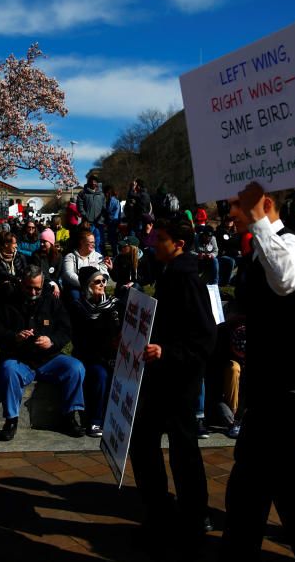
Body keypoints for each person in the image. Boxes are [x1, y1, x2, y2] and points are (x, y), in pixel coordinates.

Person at [220, 183, 295, 561]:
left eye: (238, 205)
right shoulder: (258, 253)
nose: (231, 213)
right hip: (271, 387)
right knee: (263, 481)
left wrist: (258, 222)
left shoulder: (292, 244)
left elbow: (285, 279)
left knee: (281, 485)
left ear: (263, 203)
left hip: (290, 389)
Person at [128, 217, 216, 556]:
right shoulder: (168, 274)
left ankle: (192, 514)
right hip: (163, 375)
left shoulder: (186, 279)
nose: (154, 243)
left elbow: (205, 338)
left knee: (182, 448)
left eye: (161, 238)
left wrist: (167, 350)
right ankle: (165, 509)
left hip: (178, 379)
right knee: (150, 441)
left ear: (178, 243)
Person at [0, 265, 85, 441]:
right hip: (19, 358)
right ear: (21, 283)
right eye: (29, 287)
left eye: (37, 288)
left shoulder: (52, 300)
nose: (33, 291)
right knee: (8, 370)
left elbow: (66, 329)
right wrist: (13, 337)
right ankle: (11, 420)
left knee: (76, 367)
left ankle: (70, 416)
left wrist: (51, 341)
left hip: (49, 358)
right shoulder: (7, 301)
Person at [68, 267, 121, 437]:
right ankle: (95, 421)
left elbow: (117, 330)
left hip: (110, 355)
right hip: (88, 356)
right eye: (97, 282)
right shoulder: (79, 307)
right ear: (87, 285)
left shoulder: (112, 304)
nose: (102, 284)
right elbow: (85, 338)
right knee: (100, 375)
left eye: (103, 281)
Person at [62, 230, 112, 303]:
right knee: (76, 298)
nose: (94, 245)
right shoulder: (70, 257)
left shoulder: (98, 257)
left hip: (96, 287)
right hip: (77, 287)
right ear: (82, 242)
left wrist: (99, 284)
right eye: (91, 242)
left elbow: (104, 273)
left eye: (94, 242)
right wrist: (87, 285)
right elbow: (68, 274)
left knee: (104, 299)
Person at [0, 232, 28, 305]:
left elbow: (25, 272)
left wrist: (20, 280)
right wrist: (17, 280)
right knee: (7, 287)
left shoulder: (20, 256)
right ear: (6, 244)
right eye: (14, 243)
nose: (16, 245)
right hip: (1, 288)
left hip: (19, 286)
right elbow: (2, 274)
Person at [28, 228, 63, 298]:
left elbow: (58, 273)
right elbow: (41, 273)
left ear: (51, 242)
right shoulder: (36, 255)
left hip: (54, 283)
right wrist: (52, 284)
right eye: (40, 241)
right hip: (41, 284)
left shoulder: (58, 256)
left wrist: (54, 283)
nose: (41, 244)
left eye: (44, 242)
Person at [77, 175, 107, 254]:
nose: (93, 183)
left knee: (99, 242)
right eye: (92, 181)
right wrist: (86, 216)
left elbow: (104, 208)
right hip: (88, 223)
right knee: (88, 242)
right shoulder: (83, 193)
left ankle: (99, 258)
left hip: (99, 223)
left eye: (95, 182)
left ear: (97, 183)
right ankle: (88, 257)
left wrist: (102, 218)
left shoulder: (102, 194)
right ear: (89, 182)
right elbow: (80, 207)